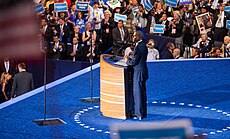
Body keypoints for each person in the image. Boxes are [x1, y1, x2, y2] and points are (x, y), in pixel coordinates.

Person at [124, 31, 148, 120]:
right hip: (143, 72)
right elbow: (139, 58)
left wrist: (127, 61)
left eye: (134, 36)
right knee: (142, 94)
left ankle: (138, 114)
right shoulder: (144, 45)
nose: (133, 38)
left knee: (137, 94)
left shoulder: (138, 47)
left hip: (138, 73)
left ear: (138, 36)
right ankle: (143, 113)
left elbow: (135, 62)